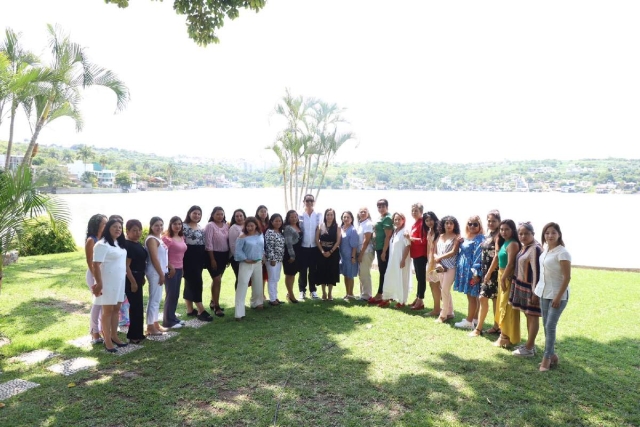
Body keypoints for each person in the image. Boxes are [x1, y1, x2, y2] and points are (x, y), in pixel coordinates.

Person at [534, 222, 572, 372]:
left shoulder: (562, 253)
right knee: (546, 326)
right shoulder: (545, 252)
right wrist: (537, 292)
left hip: (558, 295)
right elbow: (543, 275)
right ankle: (553, 355)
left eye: (553, 233)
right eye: (547, 233)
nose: (550, 235)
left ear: (559, 235)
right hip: (544, 292)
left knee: (550, 326)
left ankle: (546, 359)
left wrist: (558, 297)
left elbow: (567, 277)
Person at [92, 219, 128, 353]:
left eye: (120, 227)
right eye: (115, 227)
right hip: (107, 281)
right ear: (108, 228)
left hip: (119, 281)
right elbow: (95, 265)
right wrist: (99, 283)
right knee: (107, 311)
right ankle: (107, 339)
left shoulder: (119, 243)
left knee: (116, 309)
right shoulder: (102, 244)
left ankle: (114, 335)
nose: (118, 229)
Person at [486, 219, 521, 347]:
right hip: (502, 275)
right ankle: (504, 334)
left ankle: (505, 337)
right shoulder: (504, 242)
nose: (503, 232)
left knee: (506, 307)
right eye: (501, 229)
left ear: (512, 230)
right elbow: (496, 257)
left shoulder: (513, 244)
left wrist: (502, 278)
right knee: (501, 305)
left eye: (507, 229)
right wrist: (489, 273)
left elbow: (511, 264)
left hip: (507, 277)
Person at [510, 222, 542, 357]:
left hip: (531, 289)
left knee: (533, 317)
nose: (523, 236)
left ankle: (529, 349)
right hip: (522, 286)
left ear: (533, 234)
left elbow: (537, 272)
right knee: (528, 315)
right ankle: (530, 344)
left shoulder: (535, 249)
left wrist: (536, 292)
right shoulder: (525, 247)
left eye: (526, 234)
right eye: (520, 234)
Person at [470, 210, 501, 337]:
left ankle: (478, 329)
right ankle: (496, 326)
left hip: (493, 272)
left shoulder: (498, 235)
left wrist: (488, 273)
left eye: (494, 221)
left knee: (483, 297)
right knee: (494, 299)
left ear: (499, 221)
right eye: (489, 221)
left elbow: (497, 255)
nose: (491, 223)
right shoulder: (490, 234)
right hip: (486, 271)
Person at [182, 206, 213, 322]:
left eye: (199, 214)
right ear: (189, 213)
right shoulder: (183, 226)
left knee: (189, 283)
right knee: (196, 283)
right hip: (188, 258)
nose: (197, 216)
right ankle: (201, 310)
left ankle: (190, 309)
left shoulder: (200, 227)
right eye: (194, 213)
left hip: (199, 259)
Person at [453, 215, 485, 329]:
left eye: (475, 224)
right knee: (473, 296)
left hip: (471, 271)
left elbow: (478, 257)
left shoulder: (479, 239)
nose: (472, 226)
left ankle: (469, 321)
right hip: (464, 270)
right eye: (470, 224)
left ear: (479, 225)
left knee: (471, 296)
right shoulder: (468, 237)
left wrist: (476, 274)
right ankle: (474, 318)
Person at [234, 217, 265, 319]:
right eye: (248, 226)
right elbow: (238, 251)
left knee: (258, 284)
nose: (250, 228)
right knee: (242, 285)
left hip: (258, 262)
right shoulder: (242, 236)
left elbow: (262, 247)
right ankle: (239, 312)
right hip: (246, 263)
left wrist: (263, 256)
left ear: (256, 225)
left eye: (252, 225)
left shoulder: (260, 235)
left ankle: (257, 302)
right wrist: (246, 259)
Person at [380, 212, 412, 308]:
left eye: (399, 219)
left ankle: (402, 301)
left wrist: (403, 259)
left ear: (403, 220)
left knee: (402, 279)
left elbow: (408, 246)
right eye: (395, 219)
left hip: (402, 259)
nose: (397, 221)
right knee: (389, 277)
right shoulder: (395, 231)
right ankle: (387, 298)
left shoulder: (405, 231)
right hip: (393, 260)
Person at [434, 215, 461, 323]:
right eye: (446, 223)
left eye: (451, 223)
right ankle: (450, 312)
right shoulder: (439, 236)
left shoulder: (457, 237)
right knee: (443, 289)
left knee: (445, 289)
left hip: (451, 267)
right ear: (443, 224)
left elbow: (454, 252)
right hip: (440, 267)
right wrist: (437, 262)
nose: (449, 225)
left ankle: (443, 315)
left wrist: (439, 258)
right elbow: (435, 251)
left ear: (454, 225)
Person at [84, 214, 107, 344]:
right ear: (97, 225)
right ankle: (94, 332)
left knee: (104, 303)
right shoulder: (91, 240)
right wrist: (97, 280)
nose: (106, 226)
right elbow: (90, 261)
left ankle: (103, 329)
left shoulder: (103, 239)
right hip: (94, 274)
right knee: (97, 303)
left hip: (103, 273)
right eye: (104, 223)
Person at [162, 216, 188, 329]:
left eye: (179, 224)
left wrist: (181, 268)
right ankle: (167, 321)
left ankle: (173, 317)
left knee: (176, 295)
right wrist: (170, 266)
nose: (177, 226)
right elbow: (162, 255)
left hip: (179, 268)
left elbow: (181, 255)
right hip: (170, 270)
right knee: (171, 294)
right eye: (175, 224)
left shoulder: (181, 237)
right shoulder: (166, 238)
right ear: (170, 225)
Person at [124, 219, 146, 344]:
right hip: (131, 278)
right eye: (134, 230)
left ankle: (138, 332)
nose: (137, 233)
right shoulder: (128, 245)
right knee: (135, 307)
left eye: (139, 230)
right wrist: (132, 282)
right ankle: (133, 335)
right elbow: (127, 266)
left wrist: (142, 277)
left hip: (138, 276)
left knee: (138, 306)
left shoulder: (138, 243)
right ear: (127, 231)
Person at [145, 217, 168, 336]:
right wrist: (161, 273)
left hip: (160, 271)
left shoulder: (159, 238)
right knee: (154, 299)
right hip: (155, 272)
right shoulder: (151, 239)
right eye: (156, 225)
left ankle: (155, 323)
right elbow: (154, 258)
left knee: (157, 299)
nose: (159, 227)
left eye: (161, 225)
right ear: (151, 226)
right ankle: (150, 326)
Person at [204, 206, 229, 317]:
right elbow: (208, 243)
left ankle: (213, 301)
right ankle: (217, 307)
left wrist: (228, 257)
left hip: (224, 256)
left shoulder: (226, 226)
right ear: (213, 215)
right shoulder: (210, 226)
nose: (220, 216)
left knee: (217, 280)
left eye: (221, 214)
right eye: (217, 214)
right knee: (217, 279)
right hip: (213, 255)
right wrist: (212, 259)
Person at [368, 199, 393, 304]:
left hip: (384, 249)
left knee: (383, 272)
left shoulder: (387, 218)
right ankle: (385, 294)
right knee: (382, 271)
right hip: (378, 247)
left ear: (387, 207)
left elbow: (388, 236)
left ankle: (380, 294)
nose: (381, 209)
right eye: (379, 207)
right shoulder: (381, 217)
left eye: (383, 206)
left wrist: (383, 251)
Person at [298, 194, 322, 300]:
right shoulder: (299, 215)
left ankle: (313, 291)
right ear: (304, 202)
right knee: (302, 270)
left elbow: (321, 229)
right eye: (307, 200)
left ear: (314, 202)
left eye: (311, 201)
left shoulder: (318, 215)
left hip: (315, 247)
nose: (309, 202)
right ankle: (302, 291)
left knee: (313, 270)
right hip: (303, 247)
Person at [316, 208, 342, 301]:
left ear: (334, 216)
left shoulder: (337, 226)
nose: (329, 216)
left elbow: (338, 241)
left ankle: (330, 293)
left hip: (333, 252)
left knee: (332, 272)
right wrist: (322, 251)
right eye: (328, 214)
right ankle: (323, 293)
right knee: (322, 271)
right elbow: (317, 240)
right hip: (321, 251)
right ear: (325, 216)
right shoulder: (320, 226)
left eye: (331, 215)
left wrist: (330, 251)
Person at [408, 203, 428, 310]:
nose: (414, 212)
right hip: (415, 254)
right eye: (412, 210)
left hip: (421, 254)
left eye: (416, 210)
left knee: (421, 278)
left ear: (421, 212)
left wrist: (410, 238)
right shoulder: (415, 223)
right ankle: (417, 297)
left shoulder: (422, 224)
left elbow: (424, 241)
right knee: (418, 277)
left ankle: (420, 299)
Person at [423, 212, 441, 316]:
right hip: (430, 260)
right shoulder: (429, 231)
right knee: (432, 284)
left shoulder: (439, 231)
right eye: (426, 220)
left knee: (436, 285)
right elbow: (428, 247)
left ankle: (437, 310)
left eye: (430, 220)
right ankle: (438, 308)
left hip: (438, 261)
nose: (429, 222)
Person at [265, 213, 285, 305]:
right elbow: (269, 246)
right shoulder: (270, 232)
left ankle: (275, 297)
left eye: (279, 221)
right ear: (272, 222)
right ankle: (272, 299)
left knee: (276, 278)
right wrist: (272, 259)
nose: (278, 222)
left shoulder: (280, 232)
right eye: (276, 221)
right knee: (272, 279)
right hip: (272, 260)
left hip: (279, 259)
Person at [339, 211, 359, 300]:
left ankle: (351, 294)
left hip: (350, 256)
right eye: (344, 217)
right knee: (345, 275)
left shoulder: (353, 230)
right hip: (342, 256)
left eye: (348, 217)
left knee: (350, 275)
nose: (346, 219)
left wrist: (353, 257)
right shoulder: (341, 228)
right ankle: (347, 293)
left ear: (351, 219)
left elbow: (354, 245)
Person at [283, 210, 302, 303]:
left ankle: (289, 293)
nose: (294, 218)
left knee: (293, 274)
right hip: (290, 254)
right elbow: (288, 243)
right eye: (292, 217)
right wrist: (292, 256)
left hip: (298, 253)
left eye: (295, 216)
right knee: (289, 274)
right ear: (288, 218)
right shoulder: (287, 228)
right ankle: (291, 295)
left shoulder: (299, 226)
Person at [356, 207, 374, 301]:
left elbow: (366, 240)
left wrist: (361, 254)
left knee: (365, 274)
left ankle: (366, 295)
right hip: (362, 251)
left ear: (368, 213)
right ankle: (362, 294)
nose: (363, 213)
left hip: (366, 252)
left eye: (365, 212)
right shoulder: (361, 224)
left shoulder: (368, 224)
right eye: (361, 211)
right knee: (361, 274)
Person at [228, 209, 246, 289]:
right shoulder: (234, 228)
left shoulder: (247, 226)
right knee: (240, 279)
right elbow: (232, 245)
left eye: (241, 216)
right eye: (237, 216)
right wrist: (239, 258)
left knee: (244, 279)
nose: (239, 218)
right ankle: (239, 300)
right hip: (237, 258)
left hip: (247, 258)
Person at [256, 205, 270, 301]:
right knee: (258, 273)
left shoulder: (269, 223)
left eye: (265, 211)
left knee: (265, 274)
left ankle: (263, 293)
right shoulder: (256, 223)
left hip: (268, 250)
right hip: (258, 249)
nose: (263, 213)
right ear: (257, 212)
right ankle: (258, 294)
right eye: (261, 211)